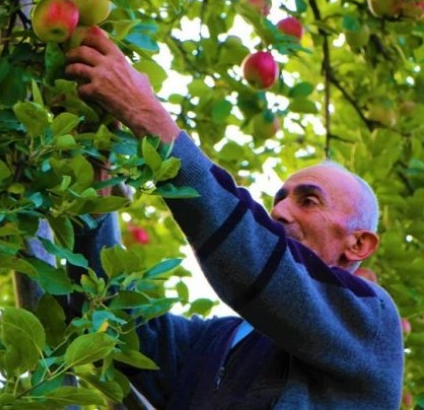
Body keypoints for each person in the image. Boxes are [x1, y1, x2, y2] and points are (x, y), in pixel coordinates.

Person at [64, 27, 405, 409]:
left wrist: (147, 115)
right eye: (278, 199)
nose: (279, 211)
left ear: (358, 244)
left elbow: (256, 256)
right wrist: (97, 174)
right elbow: (108, 316)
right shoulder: (211, 344)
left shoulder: (370, 322)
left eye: (309, 201)